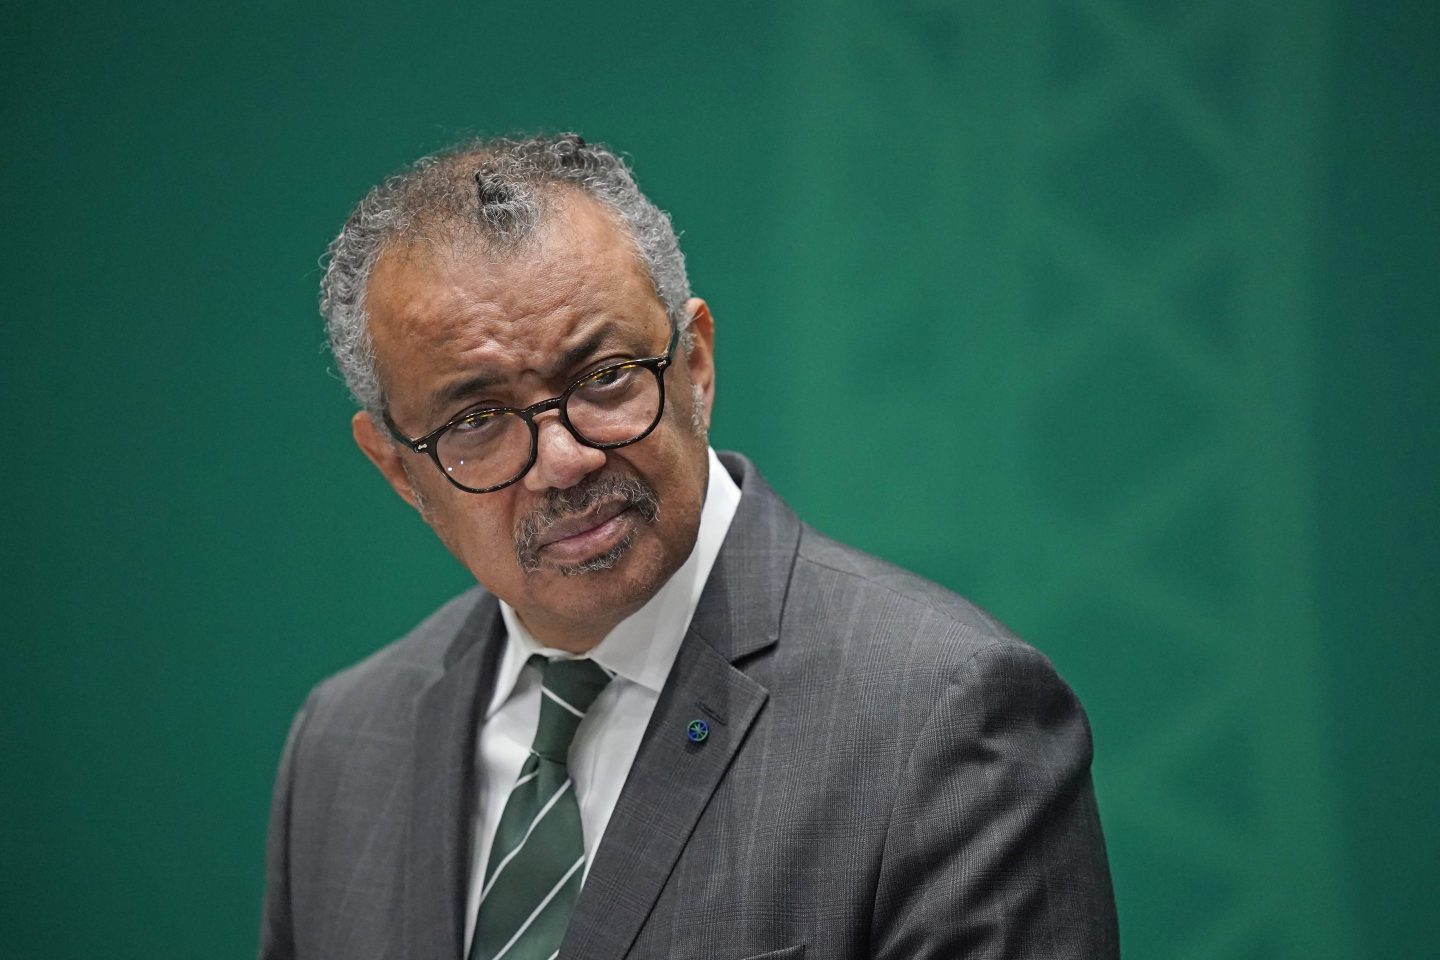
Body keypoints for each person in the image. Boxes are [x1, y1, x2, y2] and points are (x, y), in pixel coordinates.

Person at [259, 133, 1119, 960]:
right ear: (400, 472)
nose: (563, 461)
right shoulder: (343, 742)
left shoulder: (946, 717)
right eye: (477, 420)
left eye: (603, 379)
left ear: (696, 364)